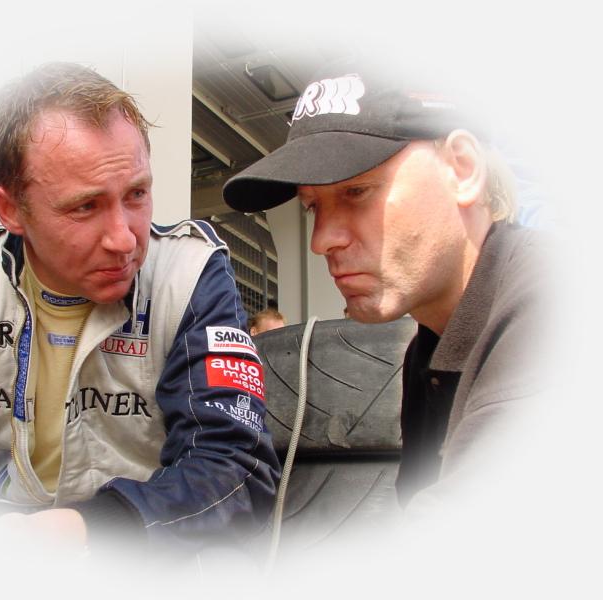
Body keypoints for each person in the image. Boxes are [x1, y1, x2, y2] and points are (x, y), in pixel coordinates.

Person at [0, 62, 279, 555]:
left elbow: (236, 468)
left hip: (143, 552)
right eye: (85, 207)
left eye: (137, 194)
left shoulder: (189, 275)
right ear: (10, 209)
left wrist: (92, 531)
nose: (123, 239)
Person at [222, 61, 551, 510]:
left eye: (357, 191)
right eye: (312, 206)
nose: (321, 240)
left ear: (462, 169)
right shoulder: (429, 349)